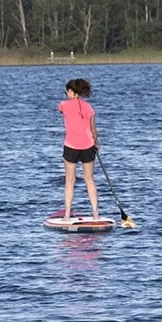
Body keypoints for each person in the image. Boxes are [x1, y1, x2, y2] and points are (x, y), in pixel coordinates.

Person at [58, 78, 99, 220]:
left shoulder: (64, 105)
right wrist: (96, 144)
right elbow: (93, 128)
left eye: (66, 92)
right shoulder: (89, 107)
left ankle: (67, 215)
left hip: (71, 147)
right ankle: (95, 213)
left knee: (70, 180)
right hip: (88, 146)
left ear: (70, 91)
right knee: (90, 179)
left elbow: (61, 110)